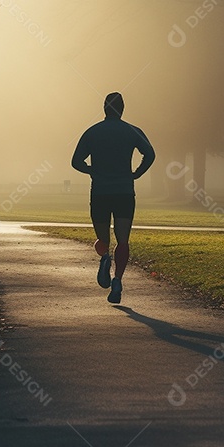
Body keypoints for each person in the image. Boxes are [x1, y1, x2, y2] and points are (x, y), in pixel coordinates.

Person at [71, 92, 155, 304]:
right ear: (123, 109)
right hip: (124, 191)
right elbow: (150, 154)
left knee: (102, 240)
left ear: (104, 108)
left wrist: (93, 170)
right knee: (123, 240)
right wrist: (137, 173)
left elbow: (76, 161)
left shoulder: (92, 132)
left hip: (100, 192)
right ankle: (117, 280)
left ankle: (104, 258)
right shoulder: (132, 131)